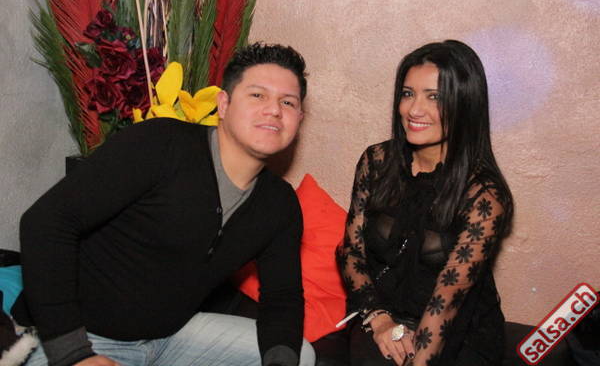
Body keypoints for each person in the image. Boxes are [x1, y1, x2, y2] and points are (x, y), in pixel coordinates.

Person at [18, 43, 315, 366]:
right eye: (257, 95)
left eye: (288, 102)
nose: (274, 110)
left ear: (298, 119)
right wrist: (73, 354)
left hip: (173, 336)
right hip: (85, 335)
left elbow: (281, 297)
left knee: (299, 355)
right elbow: (46, 223)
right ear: (224, 104)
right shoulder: (161, 144)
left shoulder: (279, 204)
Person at [335, 40, 513, 366]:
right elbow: (351, 252)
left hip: (457, 331)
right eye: (408, 94)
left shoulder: (483, 194)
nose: (414, 110)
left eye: (435, 97)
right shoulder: (377, 161)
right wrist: (378, 318)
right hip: (383, 316)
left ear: (465, 104)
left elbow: (446, 299)